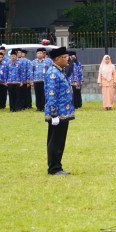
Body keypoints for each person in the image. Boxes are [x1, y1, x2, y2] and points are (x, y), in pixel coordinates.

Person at [44, 46, 75, 175]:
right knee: (55, 141)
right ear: (57, 59)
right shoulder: (53, 73)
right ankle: (54, 168)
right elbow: (51, 95)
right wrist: (54, 114)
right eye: (65, 57)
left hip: (63, 111)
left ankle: (57, 166)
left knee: (59, 141)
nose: (67, 59)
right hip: (58, 113)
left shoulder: (60, 71)